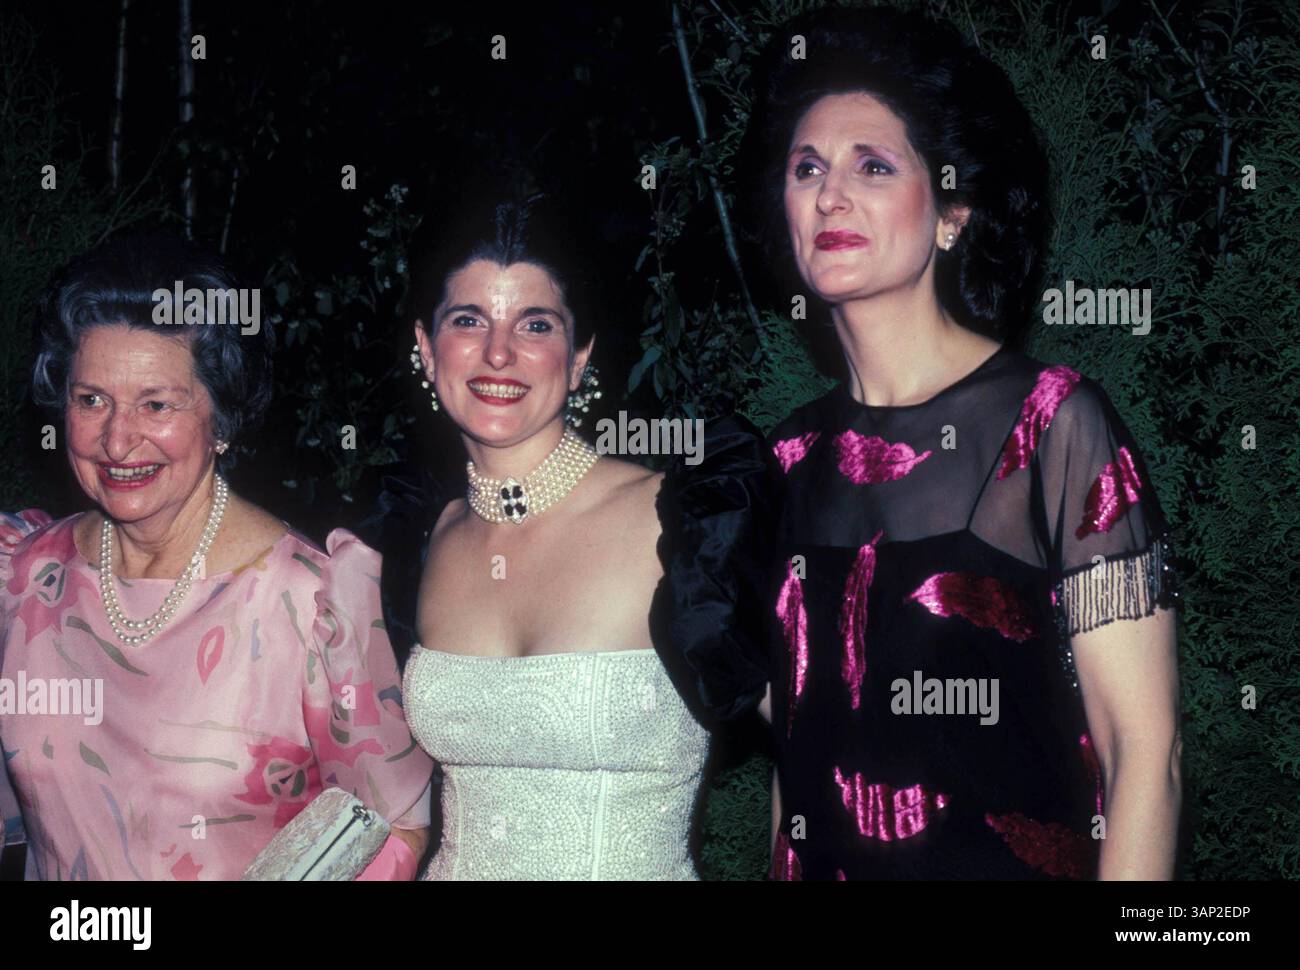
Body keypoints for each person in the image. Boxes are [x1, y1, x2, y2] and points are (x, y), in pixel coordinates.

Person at [661, 5, 1183, 880]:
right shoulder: (780, 467)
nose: (832, 193)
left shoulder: (1051, 426)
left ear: (951, 212)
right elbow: (800, 769)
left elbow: (1147, 760)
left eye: (873, 165)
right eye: (807, 169)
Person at [0, 232, 432, 880]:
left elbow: (396, 828)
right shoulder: (23, 577)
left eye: (157, 404)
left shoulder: (312, 606)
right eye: (91, 400)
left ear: (220, 416)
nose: (117, 440)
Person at [367, 191, 712, 880]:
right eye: (468, 320)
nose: (498, 352)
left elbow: (821, 737)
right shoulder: (417, 540)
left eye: (535, 325)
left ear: (579, 355)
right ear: (426, 349)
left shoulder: (680, 519)